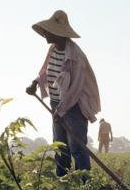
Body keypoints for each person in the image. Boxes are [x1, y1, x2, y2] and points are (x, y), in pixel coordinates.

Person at [25, 10, 101, 177]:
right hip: (56, 104)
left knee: (77, 148)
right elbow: (46, 71)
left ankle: (85, 186)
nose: (45, 34)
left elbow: (76, 89)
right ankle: (63, 183)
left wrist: (62, 110)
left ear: (58, 33)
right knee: (60, 146)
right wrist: (35, 83)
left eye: (48, 31)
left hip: (74, 106)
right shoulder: (53, 49)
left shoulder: (76, 56)